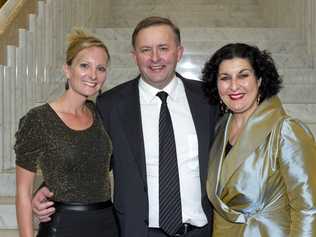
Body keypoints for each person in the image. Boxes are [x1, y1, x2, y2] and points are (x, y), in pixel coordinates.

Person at [31, 16, 219, 237]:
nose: (155, 58)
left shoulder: (208, 99)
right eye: (146, 50)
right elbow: (89, 158)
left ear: (179, 52)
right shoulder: (111, 105)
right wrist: (46, 189)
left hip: (203, 231)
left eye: (163, 48)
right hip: (138, 232)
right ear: (135, 56)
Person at [202, 43, 316, 237]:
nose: (234, 86)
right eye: (225, 78)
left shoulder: (286, 130)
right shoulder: (219, 129)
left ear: (260, 79)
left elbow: (308, 209)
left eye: (243, 75)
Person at [15, 29, 118, 237]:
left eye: (100, 68)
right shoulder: (39, 119)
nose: (93, 75)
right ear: (67, 70)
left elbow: (89, 167)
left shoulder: (101, 114)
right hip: (63, 226)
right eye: (84, 65)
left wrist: (47, 185)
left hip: (107, 224)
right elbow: (23, 193)